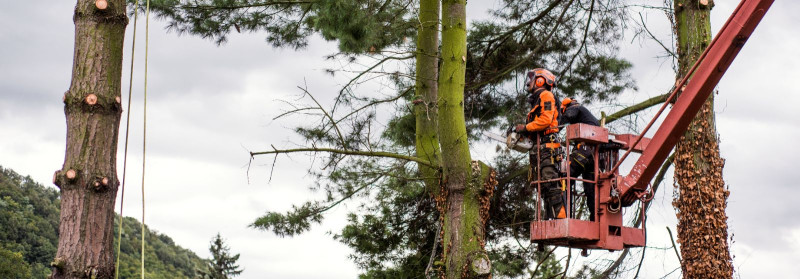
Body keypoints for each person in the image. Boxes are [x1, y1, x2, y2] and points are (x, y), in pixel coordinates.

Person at [514, 68, 564, 220]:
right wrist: (524, 132)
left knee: (549, 180)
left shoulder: (546, 95)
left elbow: (545, 120)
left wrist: (526, 127)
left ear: (541, 80)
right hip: (539, 147)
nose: (529, 82)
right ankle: (550, 218)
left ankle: (560, 216)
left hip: (548, 146)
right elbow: (537, 124)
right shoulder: (536, 100)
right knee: (542, 185)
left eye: (532, 78)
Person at [559, 98, 600, 221]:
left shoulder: (576, 109)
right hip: (594, 156)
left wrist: (554, 129)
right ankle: (596, 219)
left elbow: (568, 117)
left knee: (565, 178)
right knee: (591, 188)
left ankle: (564, 216)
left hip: (584, 151)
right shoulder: (587, 118)